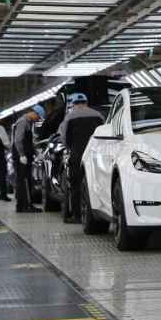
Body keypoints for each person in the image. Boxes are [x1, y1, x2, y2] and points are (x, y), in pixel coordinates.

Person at [57, 93, 104, 223]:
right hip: (95, 157)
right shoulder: (98, 115)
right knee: (96, 185)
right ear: (86, 102)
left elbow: (64, 138)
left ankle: (78, 216)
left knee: (76, 186)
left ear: (73, 104)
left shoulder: (69, 117)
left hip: (77, 155)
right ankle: (98, 214)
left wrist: (70, 148)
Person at [13, 105, 45, 213]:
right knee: (25, 180)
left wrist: (36, 152)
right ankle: (26, 206)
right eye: (38, 117)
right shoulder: (23, 122)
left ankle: (22, 206)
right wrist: (21, 155)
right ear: (33, 113)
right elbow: (18, 140)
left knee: (24, 180)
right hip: (22, 157)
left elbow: (30, 142)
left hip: (25, 156)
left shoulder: (28, 122)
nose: (38, 119)